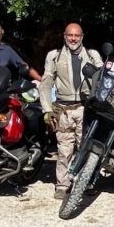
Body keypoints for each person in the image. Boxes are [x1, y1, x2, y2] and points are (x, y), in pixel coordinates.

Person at [39, 23, 103, 199]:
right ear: (64, 36)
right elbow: (46, 83)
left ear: (82, 37)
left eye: (77, 35)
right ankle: (62, 185)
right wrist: (47, 109)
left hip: (86, 108)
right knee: (64, 149)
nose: (73, 39)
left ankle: (86, 183)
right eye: (70, 35)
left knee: (86, 148)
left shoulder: (92, 55)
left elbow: (102, 77)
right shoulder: (54, 56)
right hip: (63, 110)